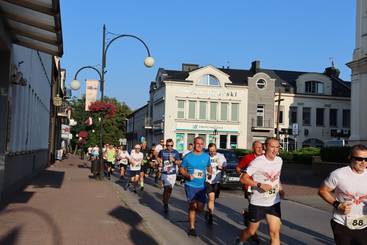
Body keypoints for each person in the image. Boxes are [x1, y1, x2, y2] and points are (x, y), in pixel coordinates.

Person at [236, 137, 284, 245]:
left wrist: (280, 189)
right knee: (251, 231)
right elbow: (243, 178)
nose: (275, 150)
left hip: (273, 202)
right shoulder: (257, 162)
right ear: (265, 147)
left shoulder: (279, 160)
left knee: (275, 234)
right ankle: (240, 240)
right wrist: (259, 184)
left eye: (277, 147)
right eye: (272, 147)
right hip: (258, 203)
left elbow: (277, 178)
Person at [318, 144, 367, 245]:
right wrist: (338, 204)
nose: (363, 162)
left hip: (364, 224)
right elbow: (322, 191)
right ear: (350, 158)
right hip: (342, 224)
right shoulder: (338, 174)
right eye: (359, 159)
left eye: (366, 159)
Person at [180, 137, 212, 236]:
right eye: (197, 143)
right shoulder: (188, 157)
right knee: (193, 206)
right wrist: (187, 175)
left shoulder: (206, 157)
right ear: (194, 144)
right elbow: (182, 169)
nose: (199, 145)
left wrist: (210, 172)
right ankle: (192, 228)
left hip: (201, 186)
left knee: (200, 208)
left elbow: (208, 166)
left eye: (201, 144)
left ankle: (205, 213)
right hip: (190, 185)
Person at [236, 141, 263, 243]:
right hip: (249, 187)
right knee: (256, 210)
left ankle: (247, 214)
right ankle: (253, 233)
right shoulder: (247, 157)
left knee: (257, 210)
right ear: (253, 148)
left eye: (261, 147)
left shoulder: (264, 158)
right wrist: (240, 174)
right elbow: (238, 168)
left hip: (261, 188)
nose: (260, 149)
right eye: (257, 147)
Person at [205, 143, 226, 225]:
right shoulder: (206, 156)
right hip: (208, 180)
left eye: (213, 151)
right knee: (211, 198)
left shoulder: (221, 156)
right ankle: (211, 215)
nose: (212, 153)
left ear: (216, 149)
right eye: (210, 151)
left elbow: (225, 166)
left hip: (217, 181)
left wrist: (223, 167)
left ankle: (208, 210)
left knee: (213, 199)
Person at [158, 139, 181, 213]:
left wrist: (174, 160)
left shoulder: (176, 152)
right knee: (167, 188)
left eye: (171, 145)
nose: (169, 147)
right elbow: (158, 157)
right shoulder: (162, 151)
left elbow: (179, 162)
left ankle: (165, 200)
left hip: (173, 174)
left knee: (170, 190)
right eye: (168, 145)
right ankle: (166, 204)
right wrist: (159, 161)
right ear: (166, 145)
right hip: (165, 173)